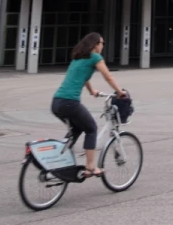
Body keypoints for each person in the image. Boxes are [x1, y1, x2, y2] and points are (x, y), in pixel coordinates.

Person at [51, 32, 125, 178]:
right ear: (95, 44)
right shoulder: (95, 57)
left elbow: (82, 77)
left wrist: (92, 91)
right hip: (69, 102)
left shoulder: (78, 58)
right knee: (91, 128)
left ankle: (58, 158)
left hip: (57, 102)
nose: (103, 45)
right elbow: (108, 76)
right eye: (102, 43)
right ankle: (90, 167)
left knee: (76, 129)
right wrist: (119, 92)